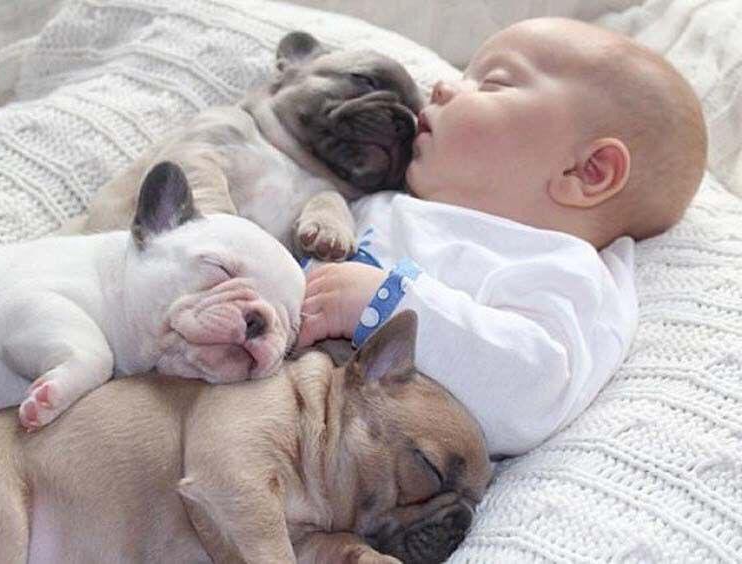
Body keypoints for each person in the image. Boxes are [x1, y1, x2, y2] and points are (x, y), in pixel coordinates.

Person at [297, 17, 707, 458]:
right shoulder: (388, 197)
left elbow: (531, 390)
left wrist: (384, 303)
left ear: (585, 172)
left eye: (492, 83)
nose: (440, 87)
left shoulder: (559, 266)